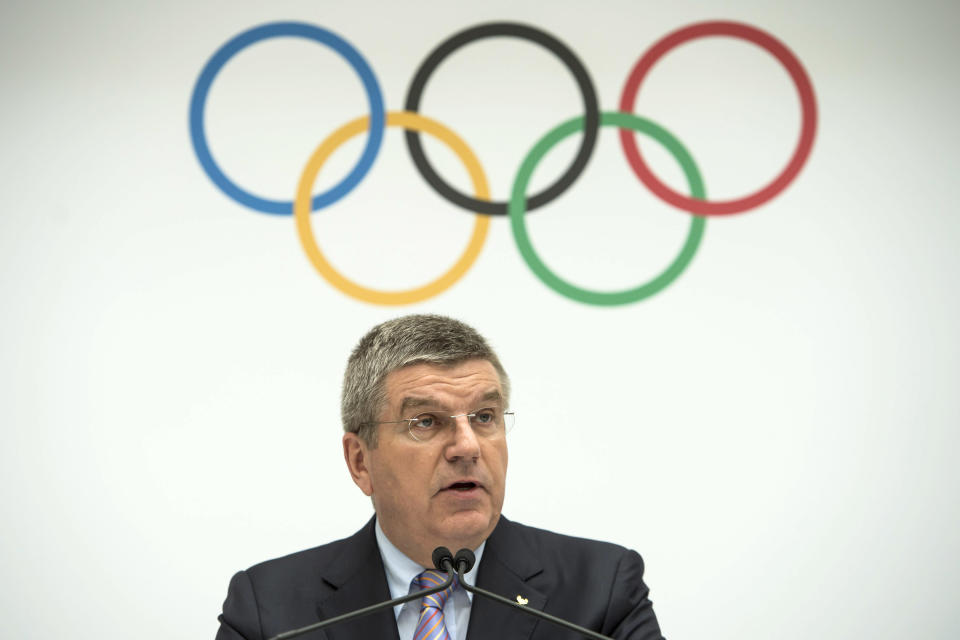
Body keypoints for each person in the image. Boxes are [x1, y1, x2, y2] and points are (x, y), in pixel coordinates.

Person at [216, 314, 665, 640]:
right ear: (360, 461)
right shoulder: (269, 611)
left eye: (485, 416)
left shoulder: (601, 593)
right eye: (426, 422)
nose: (468, 446)